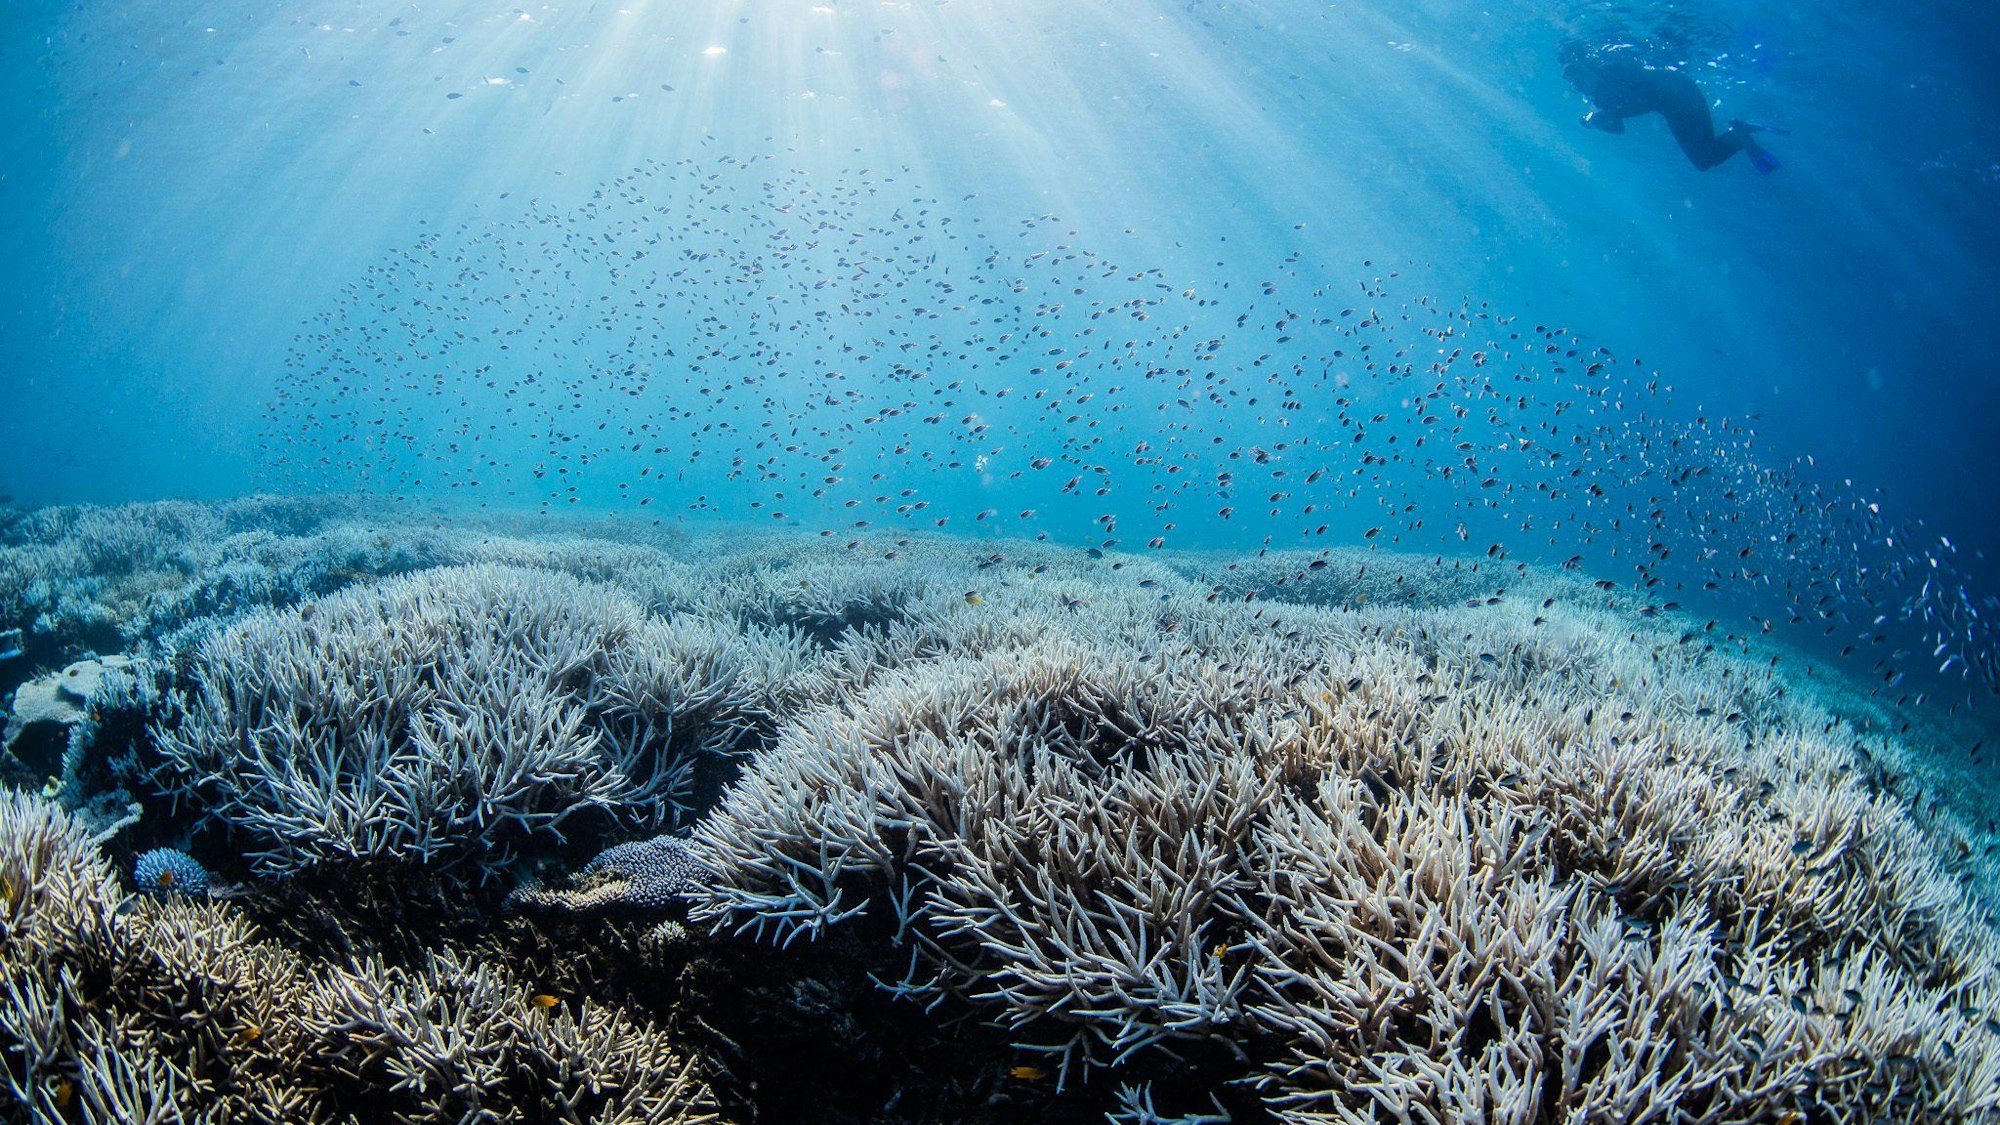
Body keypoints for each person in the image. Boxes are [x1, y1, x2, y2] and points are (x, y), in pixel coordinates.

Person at [1558, 41, 1782, 173]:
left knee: (1704, 160)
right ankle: (1739, 135)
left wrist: (1604, 115)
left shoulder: (1613, 71)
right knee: (1704, 159)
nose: (1580, 87)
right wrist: (1597, 121)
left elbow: (1641, 97)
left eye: (1579, 78)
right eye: (1575, 86)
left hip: (1680, 95)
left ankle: (1737, 136)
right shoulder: (1599, 98)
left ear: (1588, 67)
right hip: (1675, 99)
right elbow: (1619, 128)